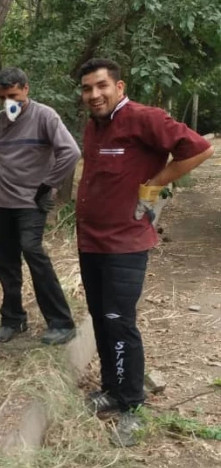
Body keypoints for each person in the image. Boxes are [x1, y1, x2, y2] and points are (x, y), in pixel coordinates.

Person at [76, 58, 214, 446]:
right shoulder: (94, 125)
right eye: (87, 88)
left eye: (102, 86)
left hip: (124, 244)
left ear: (119, 87)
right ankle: (111, 389)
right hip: (91, 241)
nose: (94, 94)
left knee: (120, 322)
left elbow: (200, 149)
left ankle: (132, 407)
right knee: (102, 319)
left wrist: (155, 184)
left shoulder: (143, 118)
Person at [0, 67, 81, 345]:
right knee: (6, 263)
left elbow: (71, 151)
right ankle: (13, 319)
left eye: (13, 96)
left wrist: (47, 185)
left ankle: (61, 323)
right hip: (0, 204)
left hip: (31, 203)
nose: (9, 102)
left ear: (26, 89)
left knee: (33, 251)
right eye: (2, 98)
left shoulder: (45, 116)